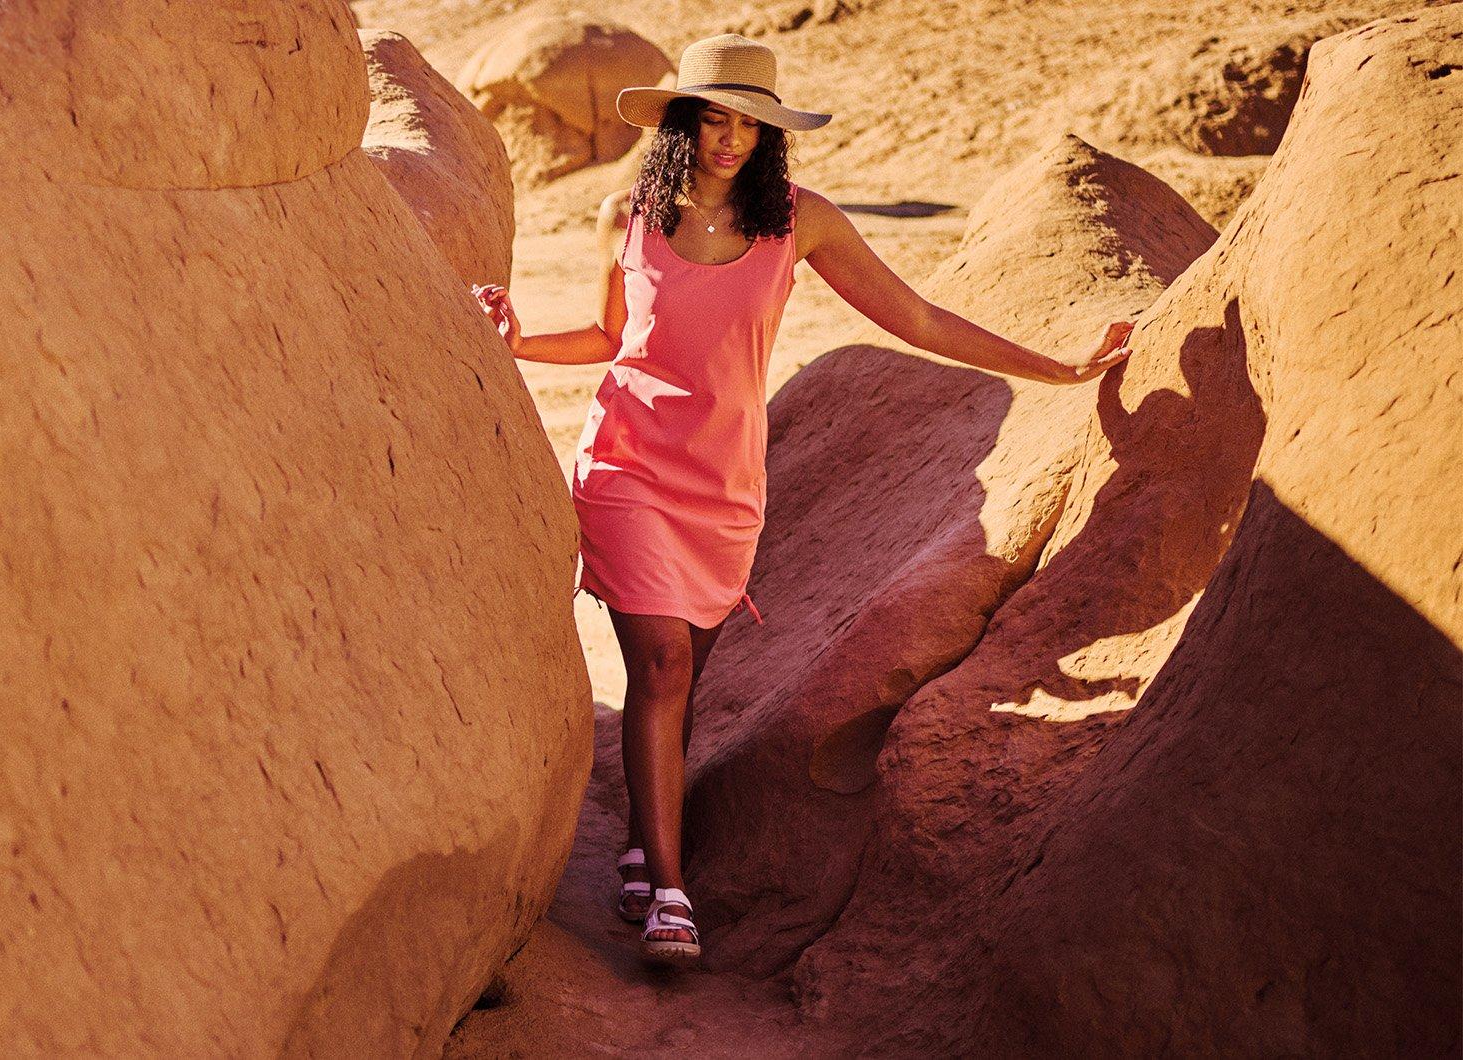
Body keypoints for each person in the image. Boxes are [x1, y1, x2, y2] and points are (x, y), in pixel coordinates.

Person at [473, 34, 1133, 967]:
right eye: (714, 119)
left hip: (724, 488)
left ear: (768, 133)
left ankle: (644, 844)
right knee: (660, 663)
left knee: (679, 682)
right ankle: (670, 894)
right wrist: (516, 343)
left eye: (748, 124)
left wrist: (1059, 369)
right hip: (627, 468)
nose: (729, 139)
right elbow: (609, 336)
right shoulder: (630, 214)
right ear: (683, 123)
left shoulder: (799, 221)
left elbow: (917, 317)